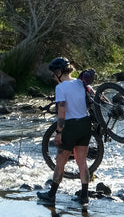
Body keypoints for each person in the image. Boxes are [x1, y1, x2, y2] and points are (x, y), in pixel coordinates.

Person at [37, 56, 92, 206]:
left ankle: (51, 195)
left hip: (70, 127)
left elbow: (61, 111)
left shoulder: (60, 88)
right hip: (86, 125)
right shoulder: (80, 83)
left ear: (60, 71)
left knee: (60, 162)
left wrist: (59, 133)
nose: (53, 76)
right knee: (82, 162)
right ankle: (84, 197)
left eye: (54, 73)